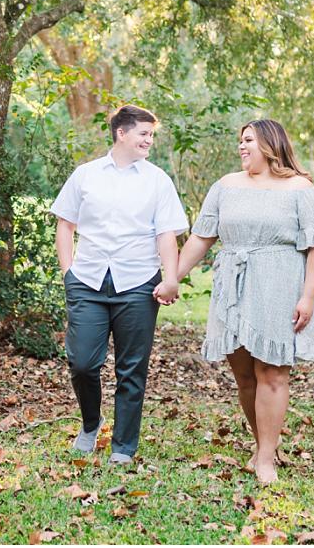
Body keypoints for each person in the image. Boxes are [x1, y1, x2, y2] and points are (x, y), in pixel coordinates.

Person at [175, 119, 314, 484]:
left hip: (279, 284)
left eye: (248, 140)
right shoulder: (226, 186)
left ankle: (265, 458)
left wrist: (308, 297)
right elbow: (202, 237)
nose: (241, 146)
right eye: (240, 141)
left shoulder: (301, 189)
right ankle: (265, 442)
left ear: (269, 143)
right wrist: (173, 278)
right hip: (233, 285)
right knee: (245, 375)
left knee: (273, 372)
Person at [50, 104, 189, 465]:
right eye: (144, 133)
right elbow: (65, 224)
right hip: (88, 279)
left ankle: (124, 447)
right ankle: (91, 424)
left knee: (132, 368)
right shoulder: (86, 175)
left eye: (152, 135)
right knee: (82, 362)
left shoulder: (157, 180)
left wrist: (170, 277)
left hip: (139, 283)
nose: (149, 141)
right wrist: (68, 272)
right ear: (121, 133)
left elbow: (166, 234)